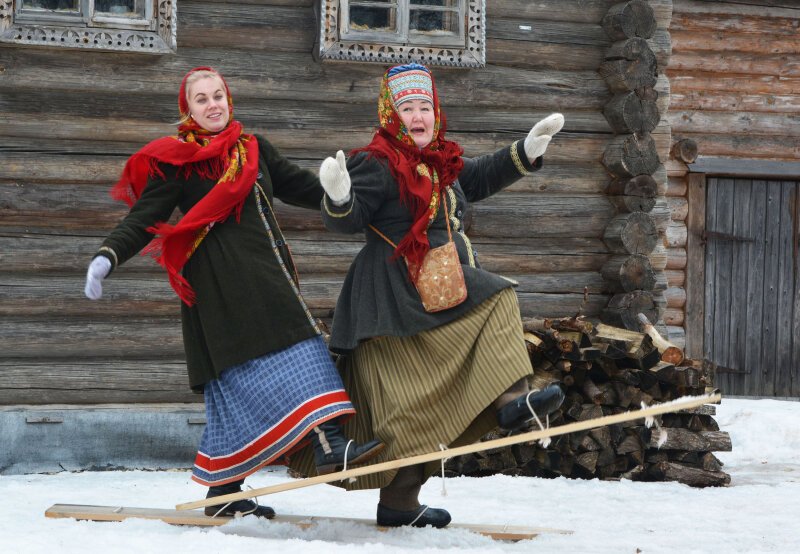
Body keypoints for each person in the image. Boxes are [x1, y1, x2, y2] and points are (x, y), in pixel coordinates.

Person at [83, 67, 383, 519]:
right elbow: (144, 218)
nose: (212, 105)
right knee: (286, 359)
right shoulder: (178, 161)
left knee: (265, 371)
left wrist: (336, 189)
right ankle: (328, 448)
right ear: (188, 109)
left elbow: (300, 187)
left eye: (218, 95)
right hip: (220, 290)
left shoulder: (254, 149)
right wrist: (108, 256)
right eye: (201, 99)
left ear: (229, 99)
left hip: (267, 278)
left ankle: (224, 489)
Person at [293, 63, 566, 528]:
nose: (417, 115)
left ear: (435, 112)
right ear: (390, 114)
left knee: (422, 408)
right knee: (497, 298)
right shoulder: (377, 163)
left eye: (424, 106)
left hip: (432, 287)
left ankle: (400, 505)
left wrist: (526, 150)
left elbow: (477, 178)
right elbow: (350, 218)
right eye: (406, 107)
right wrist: (339, 196)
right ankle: (511, 401)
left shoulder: (441, 163)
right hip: (390, 294)